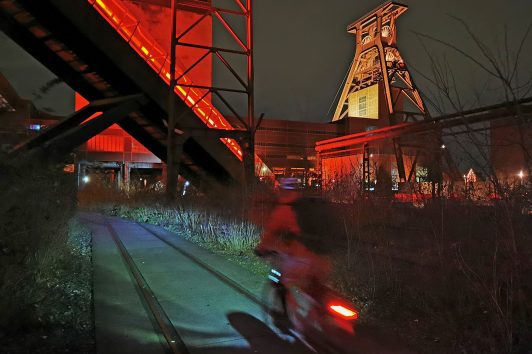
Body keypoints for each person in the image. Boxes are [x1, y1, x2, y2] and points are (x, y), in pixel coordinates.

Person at [255, 177, 332, 305]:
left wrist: (261, 248)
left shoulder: (284, 209)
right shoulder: (308, 206)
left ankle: (286, 318)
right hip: (321, 259)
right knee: (313, 291)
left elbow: (270, 232)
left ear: (281, 189)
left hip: (298, 260)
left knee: (279, 281)